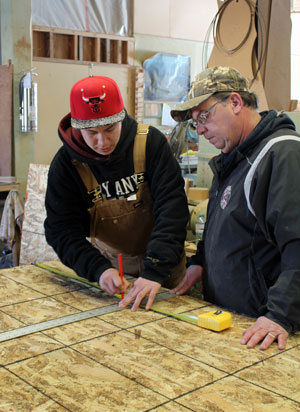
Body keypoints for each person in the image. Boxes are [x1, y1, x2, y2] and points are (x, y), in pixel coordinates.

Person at [171, 65, 300, 351]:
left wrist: (279, 315)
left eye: (204, 116)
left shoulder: (282, 154)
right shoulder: (234, 158)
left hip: (267, 331)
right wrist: (200, 263)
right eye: (195, 122)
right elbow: (224, 224)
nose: (201, 129)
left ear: (235, 102)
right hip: (234, 323)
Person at [44, 75, 189, 312]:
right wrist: (98, 270)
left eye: (110, 129)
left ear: (122, 118)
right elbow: (61, 230)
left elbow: (172, 208)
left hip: (166, 265)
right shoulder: (66, 165)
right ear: (78, 128)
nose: (103, 141)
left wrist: (156, 270)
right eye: (92, 133)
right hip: (112, 270)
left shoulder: (150, 143)